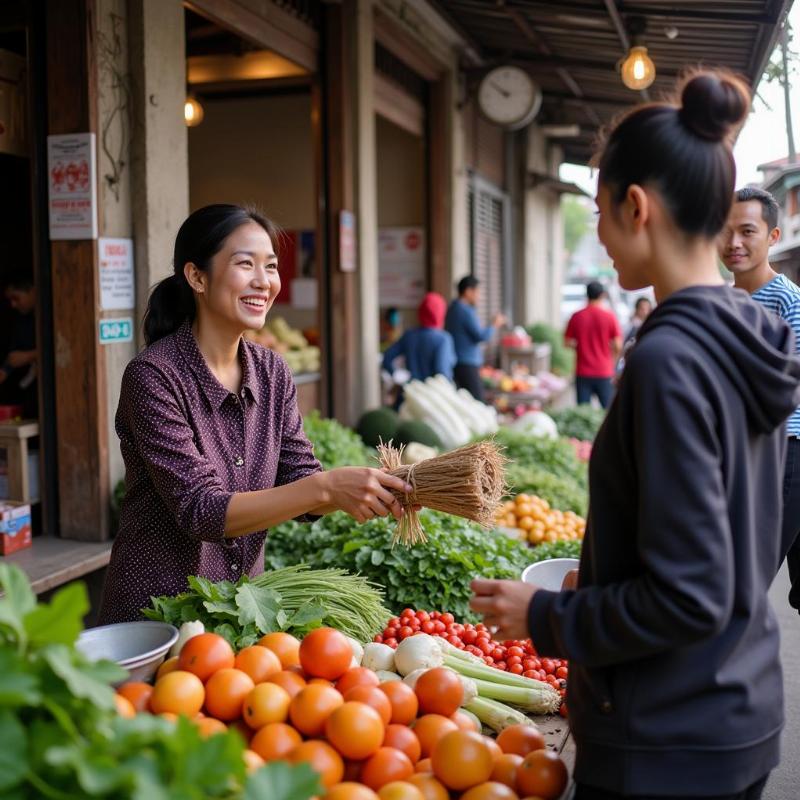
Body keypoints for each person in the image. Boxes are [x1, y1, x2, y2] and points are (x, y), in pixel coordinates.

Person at [469, 71, 800, 800]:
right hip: (733, 706)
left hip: (665, 736)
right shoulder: (752, 333)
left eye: (598, 211)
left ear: (636, 207)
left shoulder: (668, 360)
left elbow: (691, 594)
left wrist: (547, 615)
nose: (599, 233)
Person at [99, 205, 414, 624]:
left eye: (270, 266)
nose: (263, 282)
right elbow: (201, 509)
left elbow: (300, 482)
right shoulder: (154, 376)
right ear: (196, 277)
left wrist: (370, 487)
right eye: (245, 264)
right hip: (157, 615)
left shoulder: (272, 371)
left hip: (238, 610)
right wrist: (325, 488)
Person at [719, 186, 800, 613]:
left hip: (785, 450)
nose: (733, 243)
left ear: (772, 236)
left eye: (747, 231)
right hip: (752, 452)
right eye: (725, 230)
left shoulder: (787, 300)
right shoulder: (725, 301)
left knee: (742, 584)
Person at [444, 276, 506, 402]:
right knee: (477, 401)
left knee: (464, 400)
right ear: (468, 291)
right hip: (466, 363)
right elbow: (481, 336)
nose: (479, 296)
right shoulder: (465, 311)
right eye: (478, 292)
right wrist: (495, 324)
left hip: (456, 361)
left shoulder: (453, 308)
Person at [564, 281, 622, 408]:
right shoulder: (609, 316)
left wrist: (581, 346)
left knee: (583, 414)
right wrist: (612, 361)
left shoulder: (576, 316)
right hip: (604, 371)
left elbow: (567, 343)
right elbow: (618, 345)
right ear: (602, 295)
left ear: (587, 294)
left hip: (583, 371)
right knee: (608, 414)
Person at [382, 292, 456, 383]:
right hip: (432, 394)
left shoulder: (409, 335)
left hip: (410, 392)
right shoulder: (443, 339)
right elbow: (443, 374)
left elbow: (387, 357)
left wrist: (397, 375)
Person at [0, 274, 38, 418]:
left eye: (16, 298)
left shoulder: (54, 313)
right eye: (10, 300)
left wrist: (29, 356)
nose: (13, 304)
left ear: (32, 290)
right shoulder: (21, 321)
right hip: (28, 390)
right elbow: (11, 359)